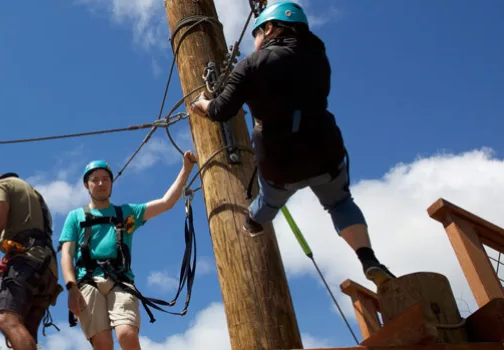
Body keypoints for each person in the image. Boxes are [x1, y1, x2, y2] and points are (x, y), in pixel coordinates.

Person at [189, 1, 396, 288]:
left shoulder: (252, 65)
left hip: (279, 161)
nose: (256, 40)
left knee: (268, 203)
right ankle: (368, 258)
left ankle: (253, 222)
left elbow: (220, 110)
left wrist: (203, 104)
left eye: (257, 33)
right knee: (339, 202)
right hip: (324, 151)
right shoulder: (318, 57)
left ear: (270, 28)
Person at [58, 152, 196, 350]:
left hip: (121, 281)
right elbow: (66, 255)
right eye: (94, 180)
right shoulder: (75, 216)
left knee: (127, 333)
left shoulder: (127, 213)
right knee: (103, 344)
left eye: (105, 179)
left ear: (112, 183)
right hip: (87, 282)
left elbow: (166, 202)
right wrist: (71, 287)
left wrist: (186, 168)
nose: (100, 183)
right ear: (86, 185)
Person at [0, 173, 63, 350]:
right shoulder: (31, 194)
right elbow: (7, 243)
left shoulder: (0, 186)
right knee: (25, 329)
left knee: (7, 318)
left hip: (27, 262)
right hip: (48, 268)